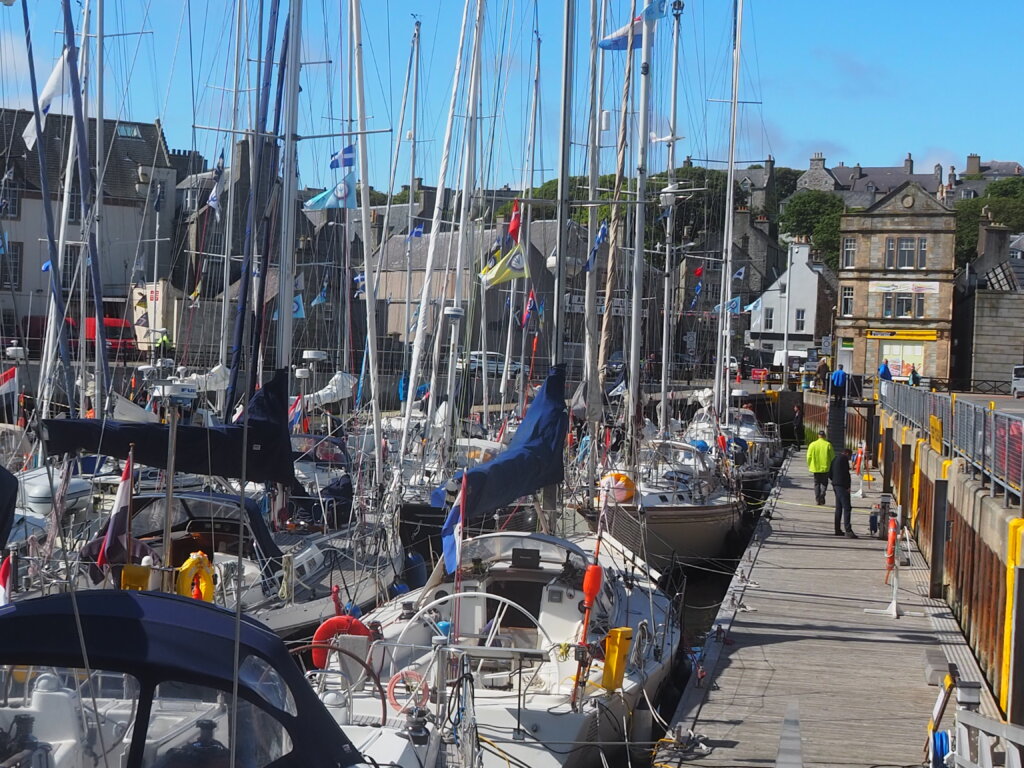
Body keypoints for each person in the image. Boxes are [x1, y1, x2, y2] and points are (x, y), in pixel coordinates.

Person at [830, 447, 856, 537]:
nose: (849, 459)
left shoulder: (835, 458)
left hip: (835, 485)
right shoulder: (844, 460)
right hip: (842, 486)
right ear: (847, 454)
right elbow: (846, 474)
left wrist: (834, 481)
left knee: (838, 508)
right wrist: (847, 487)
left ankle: (837, 529)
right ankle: (848, 530)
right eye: (850, 456)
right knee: (847, 508)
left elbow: (829, 472)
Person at [806, 430, 835, 505]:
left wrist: (809, 465)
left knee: (816, 483)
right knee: (824, 483)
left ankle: (817, 498)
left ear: (818, 436)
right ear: (824, 436)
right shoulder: (828, 444)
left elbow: (808, 456)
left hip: (815, 467)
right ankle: (822, 494)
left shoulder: (812, 444)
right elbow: (833, 457)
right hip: (825, 468)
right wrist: (833, 466)